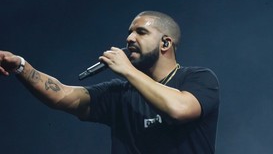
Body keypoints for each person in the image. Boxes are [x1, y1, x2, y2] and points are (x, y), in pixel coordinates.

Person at [0, 11, 220, 154]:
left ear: (165, 43)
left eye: (141, 32)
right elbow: (61, 95)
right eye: (129, 33)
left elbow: (179, 109)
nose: (129, 38)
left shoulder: (198, 78)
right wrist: (20, 66)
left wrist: (127, 70)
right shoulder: (120, 93)